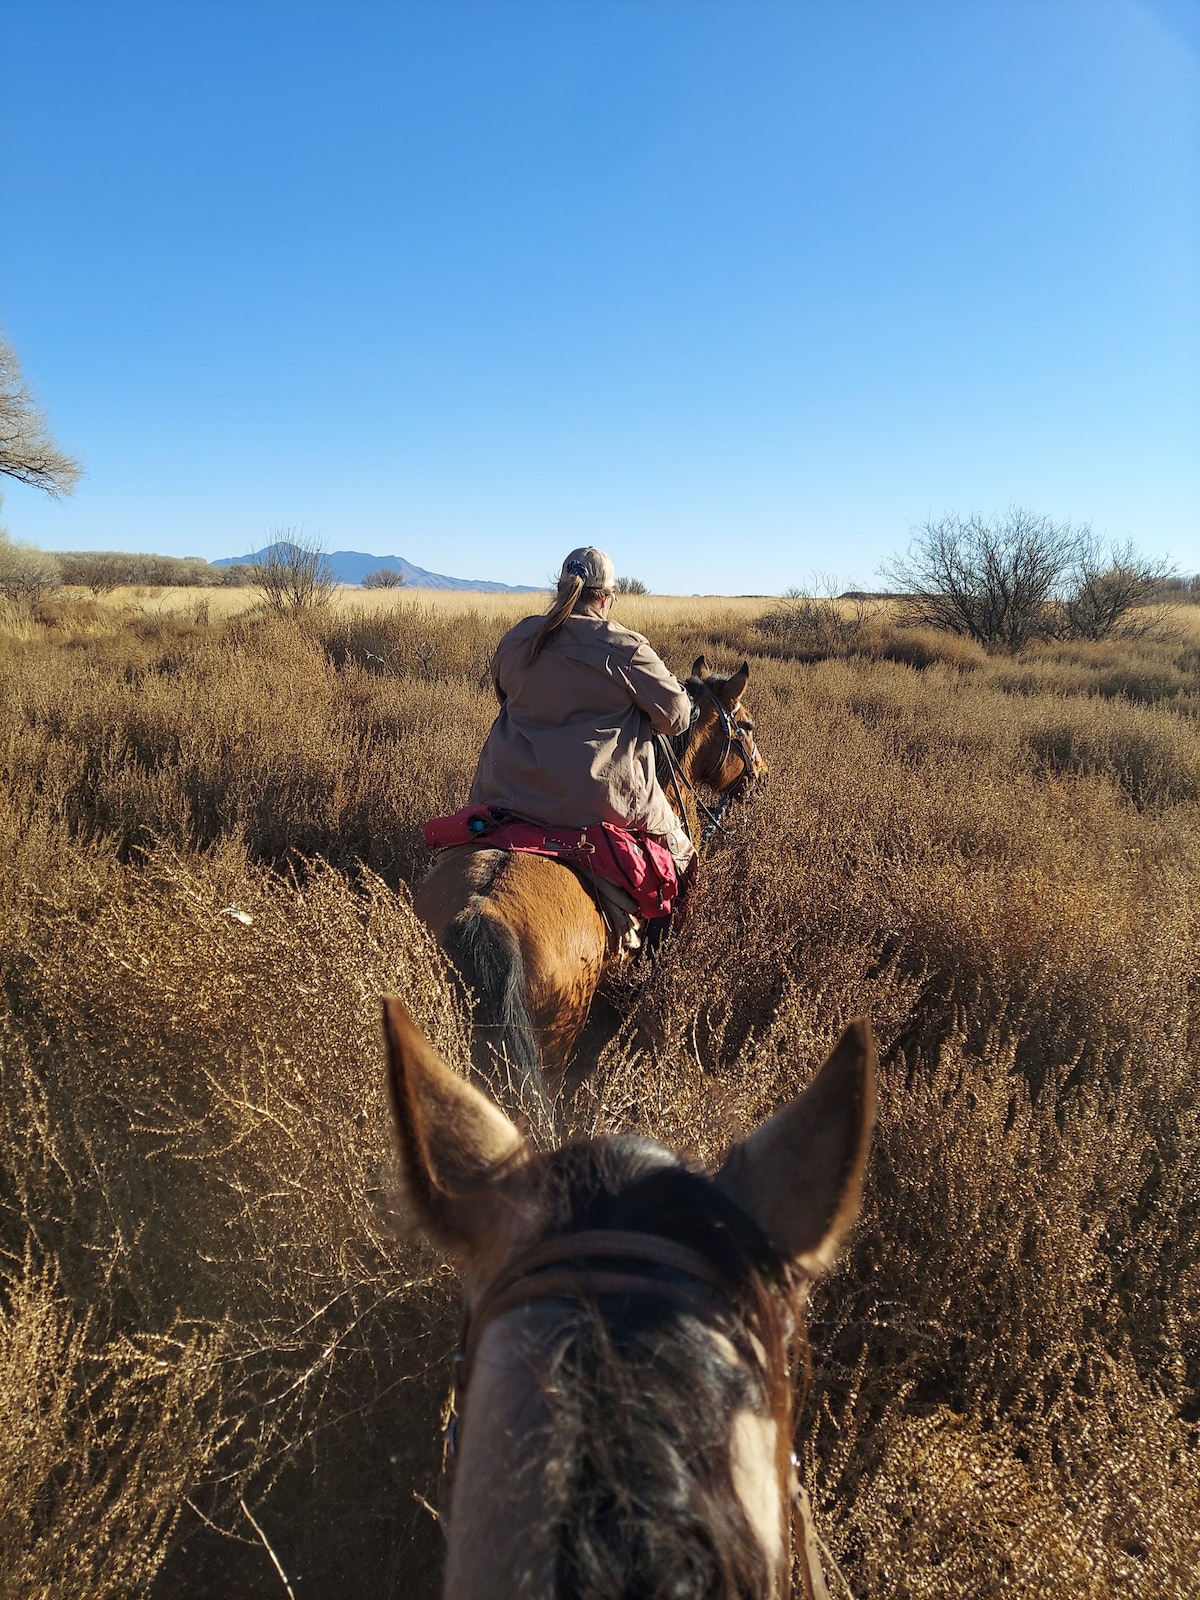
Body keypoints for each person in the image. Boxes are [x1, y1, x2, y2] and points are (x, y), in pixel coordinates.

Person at [469, 547, 695, 884]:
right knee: (683, 861)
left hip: (504, 791)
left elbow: (504, 695)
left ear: (559, 590)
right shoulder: (626, 648)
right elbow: (677, 717)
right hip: (598, 804)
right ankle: (663, 939)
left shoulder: (517, 638)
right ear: (606, 599)